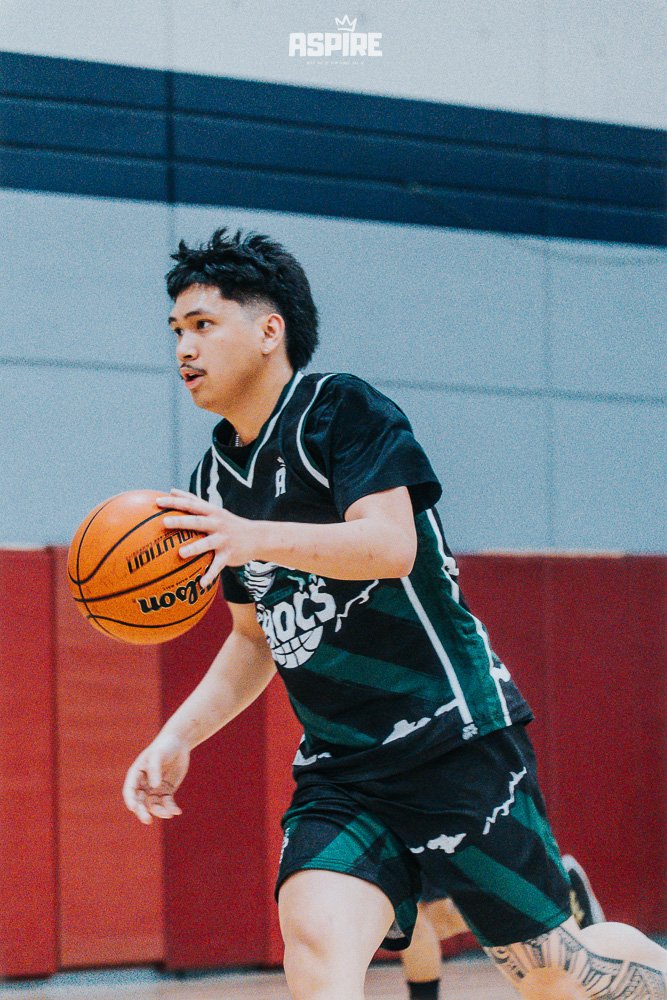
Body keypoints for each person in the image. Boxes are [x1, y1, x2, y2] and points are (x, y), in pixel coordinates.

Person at [123, 227, 667, 1000]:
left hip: (452, 739)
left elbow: (389, 546)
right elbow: (253, 639)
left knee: (555, 975)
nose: (184, 347)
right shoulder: (213, 482)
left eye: (203, 324)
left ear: (269, 330)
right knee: (315, 945)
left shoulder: (341, 411)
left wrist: (251, 536)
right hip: (343, 771)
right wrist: (177, 735)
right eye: (175, 330)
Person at [400, 855, 606, 1000]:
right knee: (430, 919)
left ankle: (555, 892)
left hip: (415, 815)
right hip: (394, 815)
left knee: (413, 915)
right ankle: (553, 893)